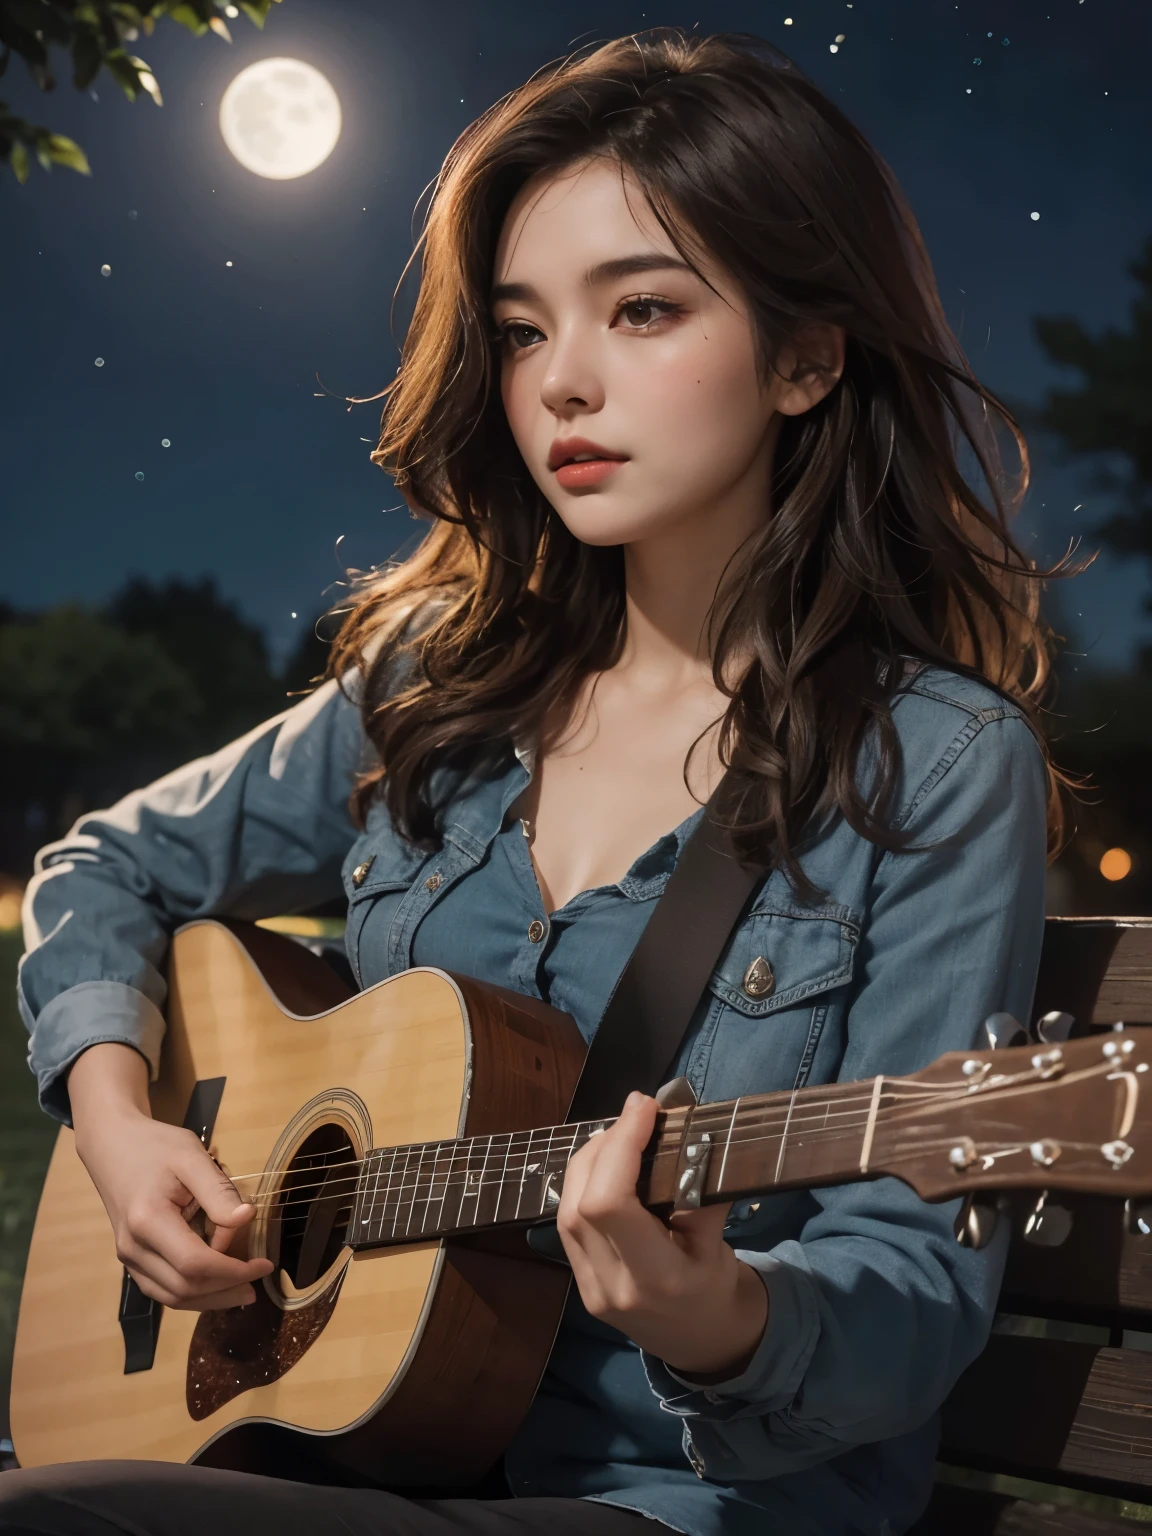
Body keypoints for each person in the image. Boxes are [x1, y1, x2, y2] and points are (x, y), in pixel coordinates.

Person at [3, 26, 1065, 1536]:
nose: (561, 382)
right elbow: (106, 866)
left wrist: (718, 1317)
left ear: (809, 356)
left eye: (641, 310)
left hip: (671, 1507)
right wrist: (121, 1128)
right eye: (517, 330)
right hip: (359, 1458)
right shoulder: (440, 682)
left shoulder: (938, 766)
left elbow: (906, 1291)